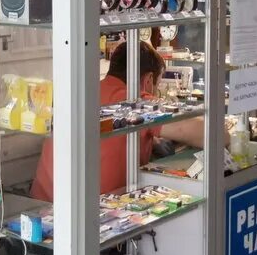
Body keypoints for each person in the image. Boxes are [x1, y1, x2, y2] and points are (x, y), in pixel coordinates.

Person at [30, 41, 205, 201]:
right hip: (92, 216)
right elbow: (208, 134)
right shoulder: (136, 102)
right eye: (157, 87)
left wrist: (152, 140)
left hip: (41, 207)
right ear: (148, 80)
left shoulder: (87, 91)